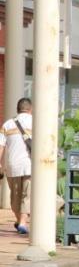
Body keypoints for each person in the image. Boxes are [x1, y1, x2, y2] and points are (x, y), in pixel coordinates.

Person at [0, 97, 32, 234]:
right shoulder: (35, 122)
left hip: (12, 166)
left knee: (15, 196)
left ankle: (20, 220)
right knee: (27, 195)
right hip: (29, 165)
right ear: (30, 109)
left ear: (17, 109)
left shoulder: (7, 125)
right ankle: (22, 223)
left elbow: (0, 147)